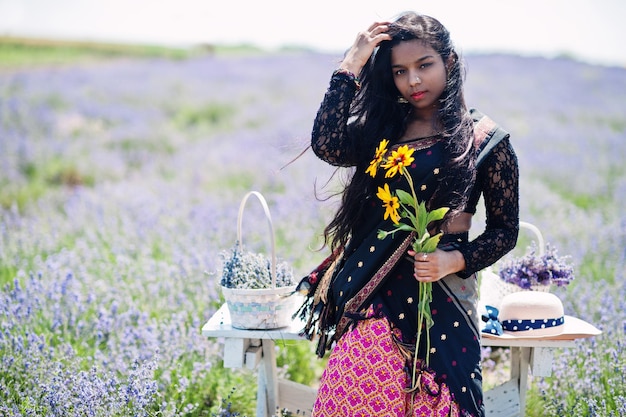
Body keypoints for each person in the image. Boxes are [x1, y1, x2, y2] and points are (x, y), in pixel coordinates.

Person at [295, 11, 519, 417]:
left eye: (424, 65)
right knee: (345, 401)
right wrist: (351, 64)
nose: (413, 80)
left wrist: (454, 259)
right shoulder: (383, 129)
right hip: (374, 293)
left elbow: (505, 230)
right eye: (400, 71)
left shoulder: (484, 141)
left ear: (449, 62)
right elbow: (327, 144)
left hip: (444, 294)